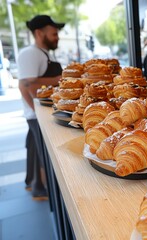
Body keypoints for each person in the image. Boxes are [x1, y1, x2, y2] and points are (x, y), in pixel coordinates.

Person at [17, 15, 65, 200]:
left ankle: (36, 186)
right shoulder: (31, 53)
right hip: (38, 114)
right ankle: (44, 191)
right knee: (44, 154)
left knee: (36, 151)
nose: (57, 37)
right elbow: (26, 85)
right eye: (53, 33)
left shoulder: (42, 53)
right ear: (39, 33)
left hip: (41, 113)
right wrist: (39, 114)